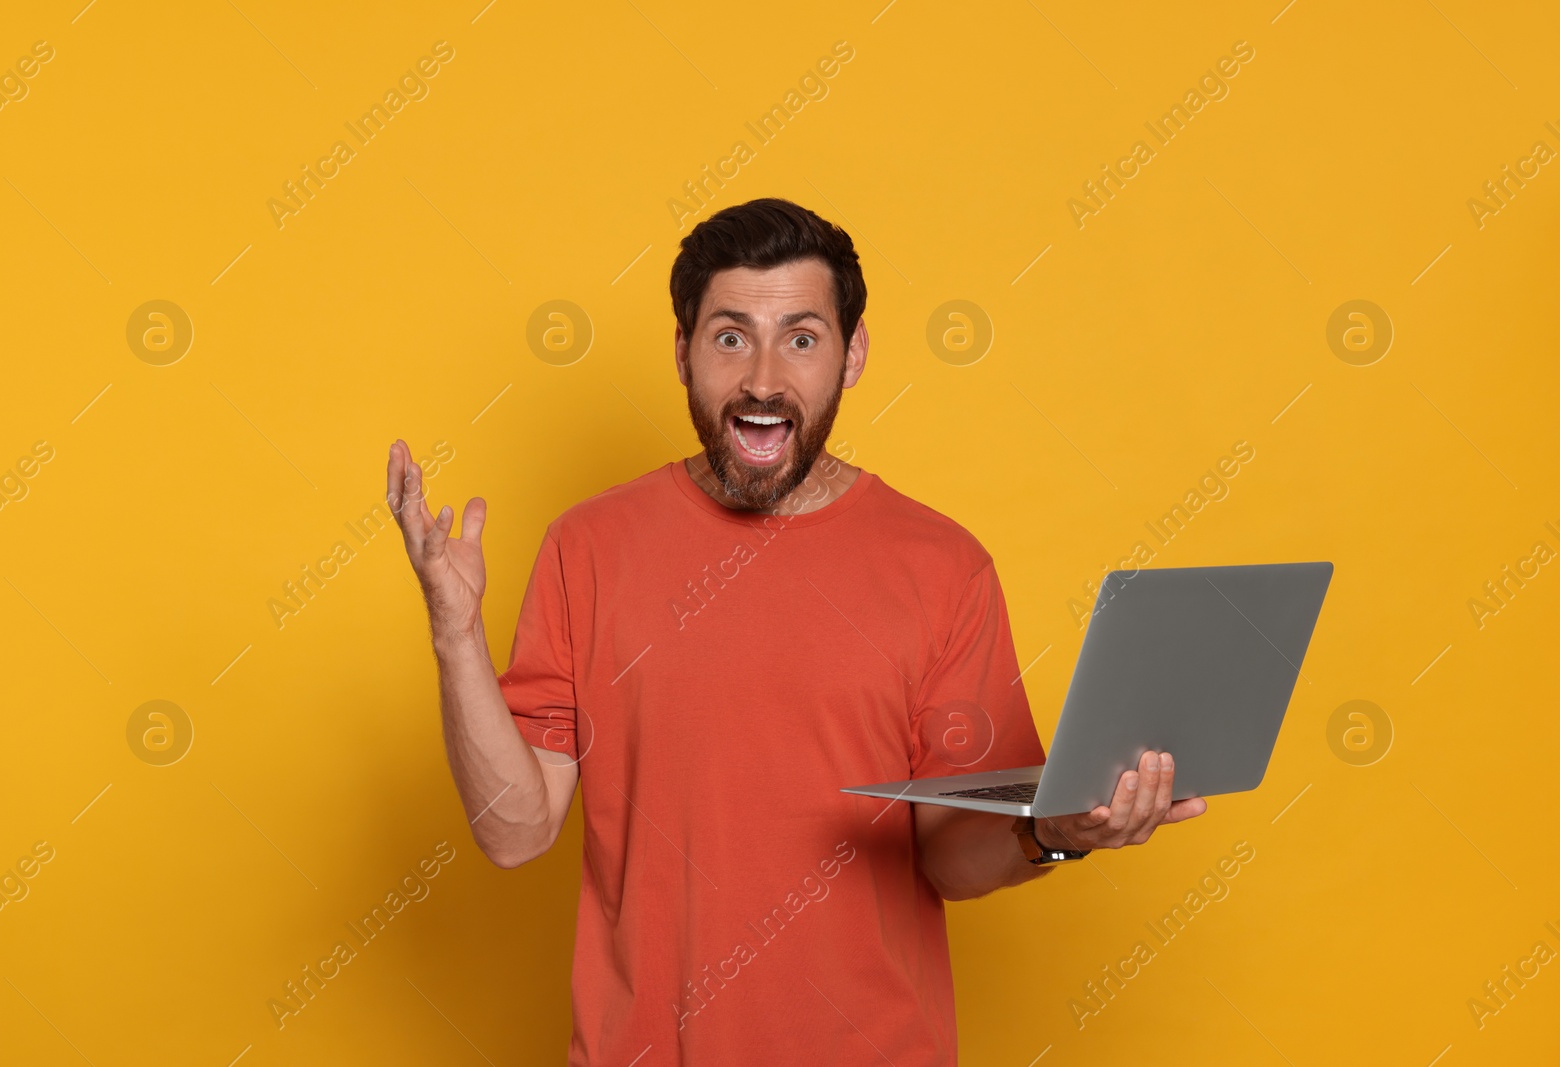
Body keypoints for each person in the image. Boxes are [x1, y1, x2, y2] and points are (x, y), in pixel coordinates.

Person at [385, 197, 1206, 1065]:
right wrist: (453, 633)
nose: (765, 379)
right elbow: (515, 831)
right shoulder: (587, 548)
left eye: (802, 338)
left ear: (852, 356)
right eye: (731, 336)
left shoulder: (943, 566)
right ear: (682, 351)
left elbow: (952, 861)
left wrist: (1051, 832)